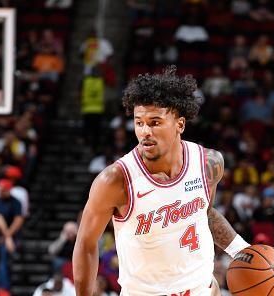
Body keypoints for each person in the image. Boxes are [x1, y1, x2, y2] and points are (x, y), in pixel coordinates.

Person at [73, 66, 251, 295]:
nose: (145, 131)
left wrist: (242, 250)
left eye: (155, 122)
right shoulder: (116, 179)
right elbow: (86, 243)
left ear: (180, 124)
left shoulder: (208, 163)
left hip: (201, 289)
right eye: (139, 122)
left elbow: (204, 213)